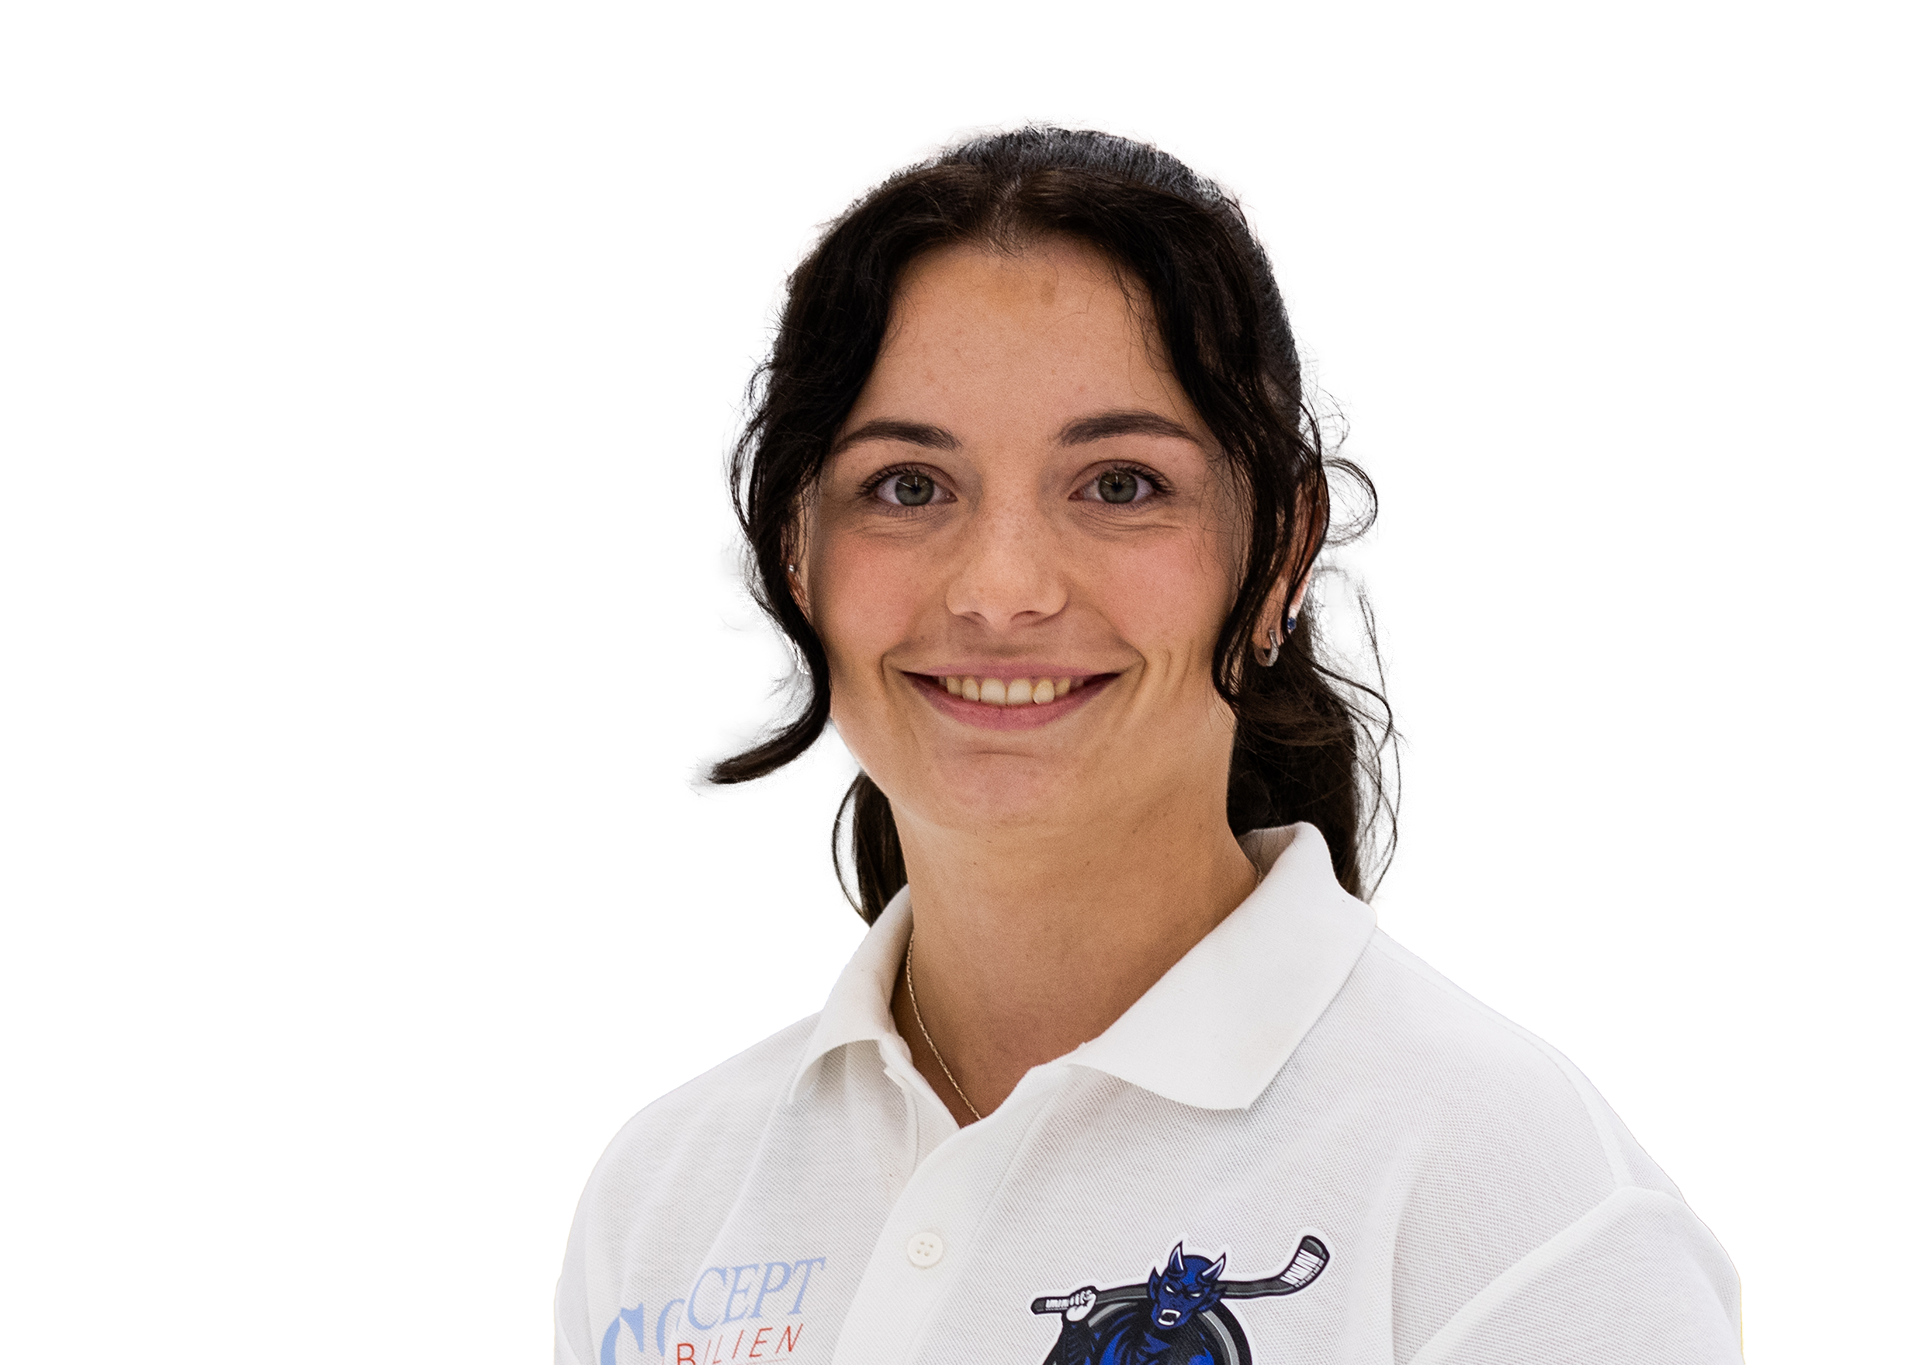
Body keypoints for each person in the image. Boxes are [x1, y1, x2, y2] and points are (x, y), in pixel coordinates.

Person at [554, 126, 1744, 1365]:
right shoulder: (662, 1206)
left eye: (1118, 484)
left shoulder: (1515, 1207)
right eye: (907, 486)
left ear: (1280, 554)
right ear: (795, 562)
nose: (1001, 590)